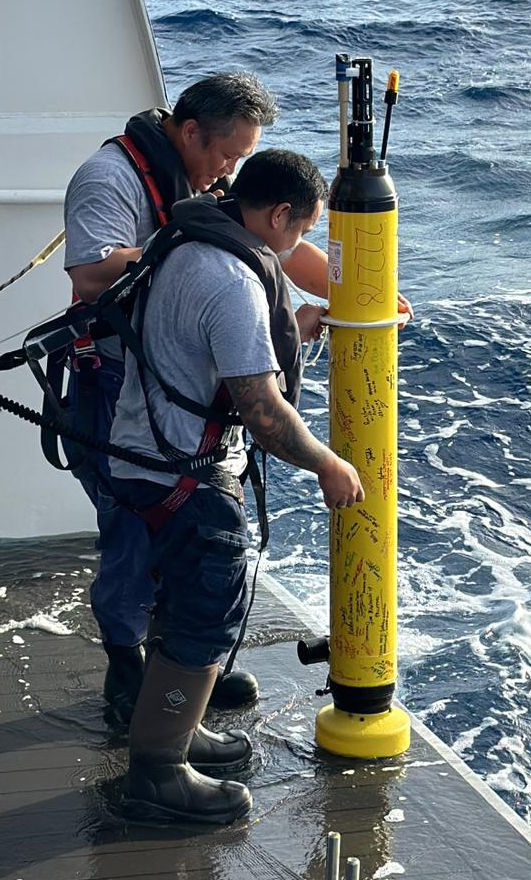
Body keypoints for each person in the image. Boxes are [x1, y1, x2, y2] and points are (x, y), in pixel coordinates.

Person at [62, 73, 373, 728]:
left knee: (181, 545)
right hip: (118, 379)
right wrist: (186, 240)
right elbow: (91, 275)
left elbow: (276, 242)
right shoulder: (108, 179)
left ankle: (180, 674)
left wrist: (365, 298)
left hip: (184, 369)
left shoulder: (207, 188)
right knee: (132, 534)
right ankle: (129, 672)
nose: (228, 172)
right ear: (192, 132)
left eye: (240, 163)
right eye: (226, 157)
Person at [108, 149, 364, 824]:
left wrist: (299, 329)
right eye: (302, 230)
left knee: (180, 600)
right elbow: (262, 412)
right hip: (183, 472)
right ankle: (157, 773)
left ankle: (179, 728)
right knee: (207, 610)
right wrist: (329, 466)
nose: (299, 244)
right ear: (278, 214)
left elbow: (204, 353)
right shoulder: (232, 280)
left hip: (140, 455)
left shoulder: (189, 239)